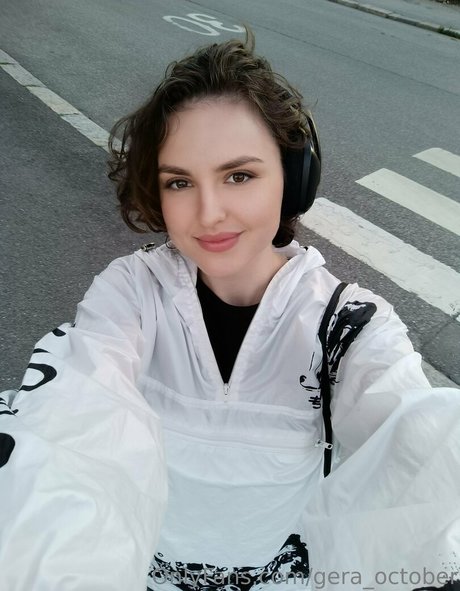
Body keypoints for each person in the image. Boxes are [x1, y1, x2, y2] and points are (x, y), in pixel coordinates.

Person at [1, 31, 460, 591]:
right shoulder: (131, 294)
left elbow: (419, 442)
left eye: (239, 175)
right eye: (179, 182)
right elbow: (70, 425)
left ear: (293, 180)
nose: (208, 213)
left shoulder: (349, 327)